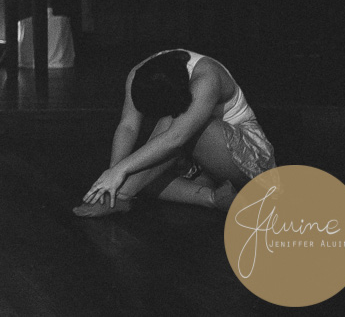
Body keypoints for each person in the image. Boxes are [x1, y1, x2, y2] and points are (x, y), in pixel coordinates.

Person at [73, 49, 274, 218]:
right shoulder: (139, 74)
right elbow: (128, 126)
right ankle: (214, 198)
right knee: (138, 169)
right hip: (200, 159)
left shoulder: (206, 77)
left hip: (248, 158)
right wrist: (113, 176)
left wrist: (120, 173)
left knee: (170, 127)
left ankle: (122, 197)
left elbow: (176, 137)